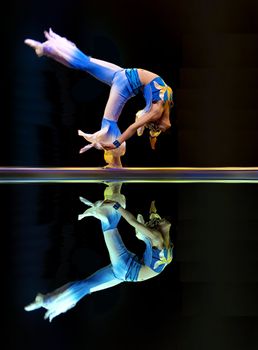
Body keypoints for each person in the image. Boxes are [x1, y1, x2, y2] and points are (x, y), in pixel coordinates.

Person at [24, 28, 174, 167]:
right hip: (123, 80)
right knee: (86, 65)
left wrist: (153, 137)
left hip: (124, 77)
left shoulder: (166, 102)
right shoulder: (156, 111)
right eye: (154, 128)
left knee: (86, 64)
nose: (153, 125)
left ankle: (115, 163)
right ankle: (45, 48)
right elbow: (134, 127)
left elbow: (161, 125)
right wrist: (117, 142)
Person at [24, 189, 174, 322]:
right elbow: (154, 214)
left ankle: (48, 301)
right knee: (86, 286)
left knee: (109, 225)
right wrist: (153, 208)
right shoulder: (161, 237)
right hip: (127, 269)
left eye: (159, 220)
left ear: (157, 227)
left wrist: (116, 206)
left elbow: (133, 220)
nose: (163, 219)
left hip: (126, 270)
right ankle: (48, 301)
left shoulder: (157, 237)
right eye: (160, 219)